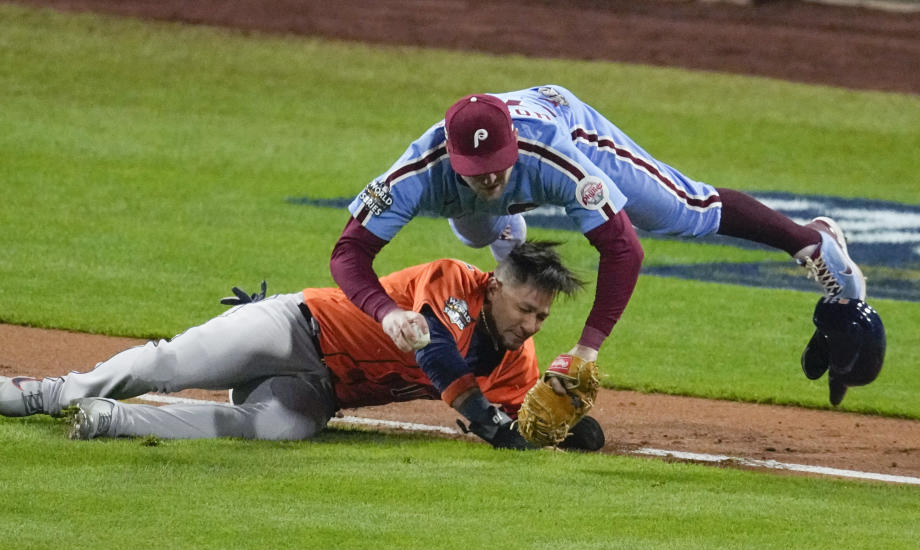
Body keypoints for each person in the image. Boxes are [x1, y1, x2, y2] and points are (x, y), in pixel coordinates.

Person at [330, 84, 866, 383]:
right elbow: (350, 252)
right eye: (477, 167)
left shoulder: (553, 159)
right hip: (479, 202)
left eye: (498, 162)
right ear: (451, 156)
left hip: (570, 124)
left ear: (512, 146)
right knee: (475, 232)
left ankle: (811, 242)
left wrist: (587, 350)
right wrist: (388, 311)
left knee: (682, 212)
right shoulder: (414, 175)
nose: (491, 173)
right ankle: (507, 235)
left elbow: (622, 248)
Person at [0, 241, 596, 449]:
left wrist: (572, 430)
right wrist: (488, 425)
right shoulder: (452, 282)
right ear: (496, 288)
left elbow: (523, 419)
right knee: (172, 362)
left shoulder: (518, 361)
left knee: (280, 429)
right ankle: (55, 391)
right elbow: (437, 356)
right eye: (526, 309)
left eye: (543, 316)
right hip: (293, 327)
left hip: (319, 389)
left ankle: (110, 420)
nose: (533, 324)